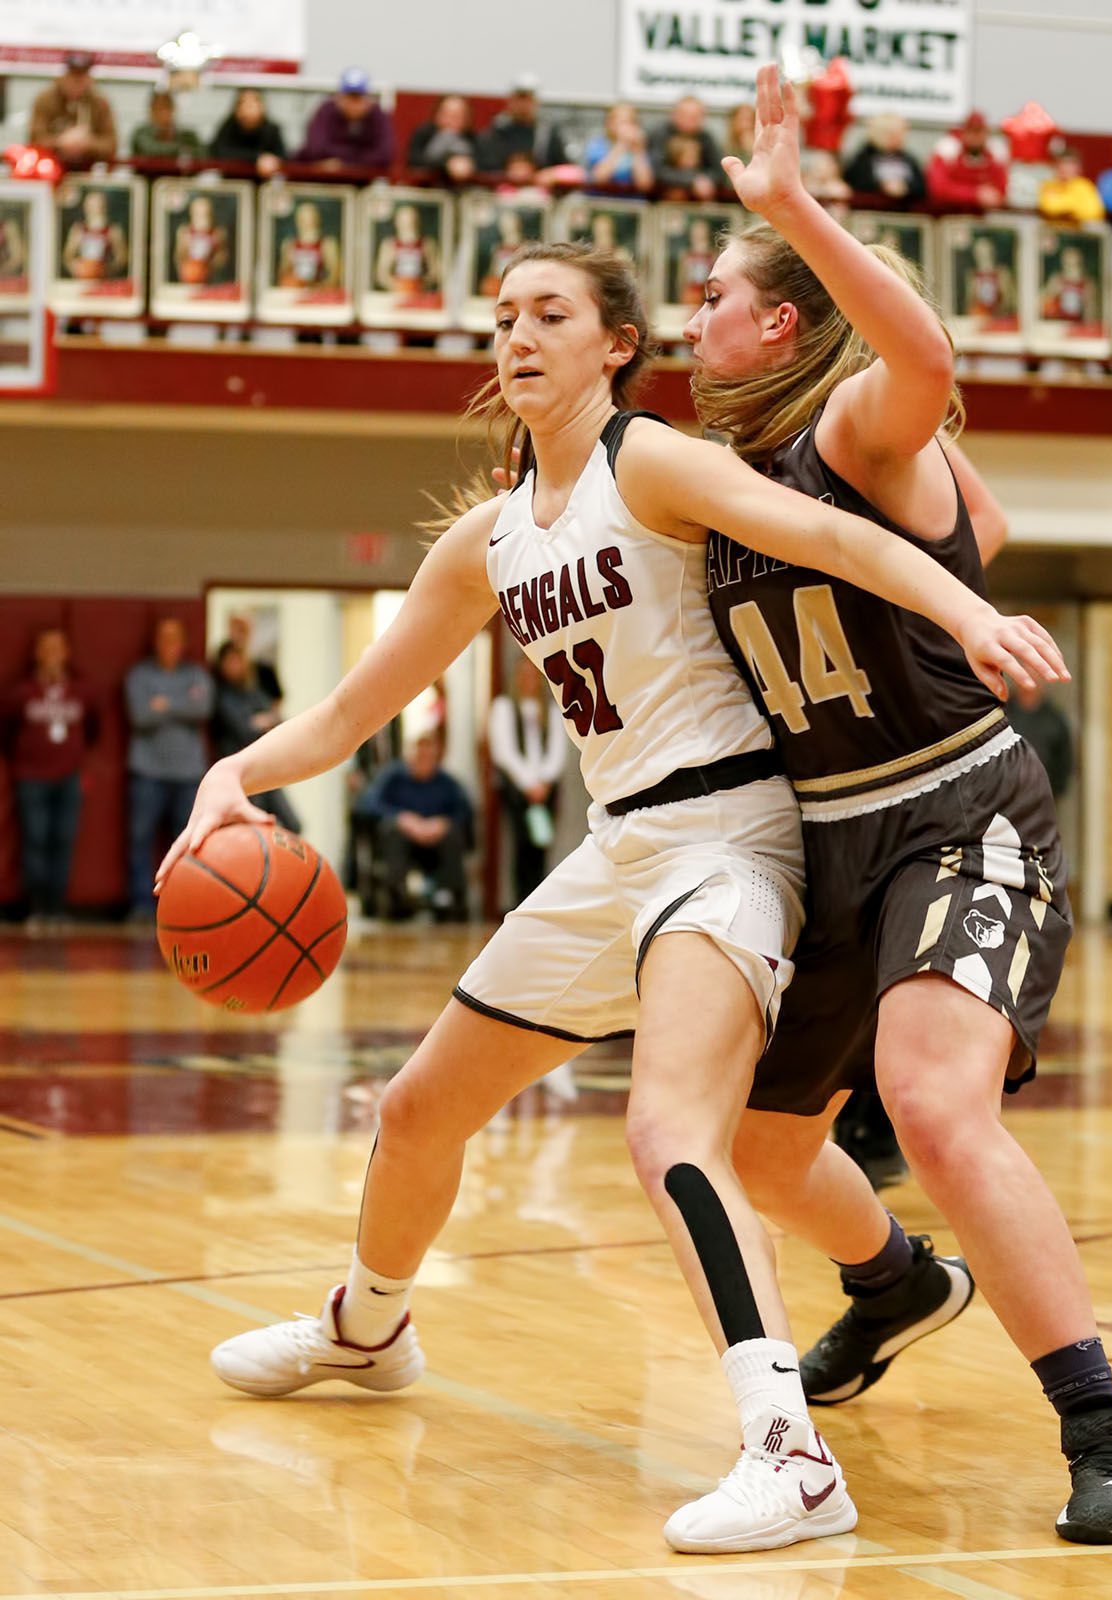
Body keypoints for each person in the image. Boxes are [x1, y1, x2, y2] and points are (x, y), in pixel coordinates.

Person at [159, 238, 1063, 1556]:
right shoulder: (492, 538)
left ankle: (787, 1454)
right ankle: (369, 1329)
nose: (518, 336)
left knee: (669, 1128)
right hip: (616, 848)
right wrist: (231, 776)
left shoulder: (653, 461)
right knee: (418, 1110)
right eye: (505, 315)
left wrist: (964, 613)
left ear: (615, 344)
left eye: (551, 314)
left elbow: (828, 530)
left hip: (733, 837)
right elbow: (360, 707)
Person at [685, 65, 1112, 1547]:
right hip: (825, 834)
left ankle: (1101, 1422)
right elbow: (995, 524)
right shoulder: (734, 473)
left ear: (779, 321)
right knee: (766, 1151)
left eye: (715, 294)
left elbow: (923, 347)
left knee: (936, 1103)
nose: (693, 318)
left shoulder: (847, 424)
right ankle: (896, 1283)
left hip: (957, 806)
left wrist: (791, 205)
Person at [1, 627, 97, 929]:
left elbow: (94, 729)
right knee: (35, 841)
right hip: (31, 777)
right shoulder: (22, 692)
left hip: (69, 777)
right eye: (46, 648)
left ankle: (57, 909)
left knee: (63, 841)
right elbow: (6, 728)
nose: (52, 654)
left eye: (58, 647)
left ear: (67, 652)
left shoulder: (82, 690)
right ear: (36, 653)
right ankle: (37, 910)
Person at [125, 617, 213, 922]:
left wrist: (164, 704)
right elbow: (141, 715)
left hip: (188, 773)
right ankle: (141, 906)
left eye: (175, 638)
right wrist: (179, 705)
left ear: (184, 643)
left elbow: (202, 709)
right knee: (141, 839)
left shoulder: (196, 675)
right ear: (155, 641)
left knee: (187, 842)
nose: (169, 644)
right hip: (147, 771)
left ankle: (182, 905)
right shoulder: (140, 675)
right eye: (163, 637)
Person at [357, 729, 472, 920]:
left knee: (453, 834)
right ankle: (396, 895)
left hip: (436, 845)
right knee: (392, 830)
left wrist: (442, 823)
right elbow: (368, 803)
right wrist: (402, 818)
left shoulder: (448, 783)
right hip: (403, 842)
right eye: (419, 750)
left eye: (429, 751)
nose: (424, 756)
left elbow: (464, 811)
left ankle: (447, 898)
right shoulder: (392, 778)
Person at [488, 655, 567, 905]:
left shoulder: (552, 710)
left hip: (546, 788)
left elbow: (557, 750)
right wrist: (528, 784)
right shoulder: (504, 707)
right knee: (521, 846)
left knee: (541, 845)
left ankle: (539, 901)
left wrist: (544, 782)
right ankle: (521, 900)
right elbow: (504, 751)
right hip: (518, 789)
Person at [210, 641, 302, 834]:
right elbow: (244, 729)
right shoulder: (222, 696)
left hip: (266, 769)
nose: (235, 665)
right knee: (254, 829)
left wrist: (261, 721)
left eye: (238, 660)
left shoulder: (252, 691)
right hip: (242, 775)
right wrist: (261, 722)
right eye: (230, 661)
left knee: (293, 824)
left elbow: (278, 719)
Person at [28, 52, 117, 166]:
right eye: (73, 77)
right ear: (64, 77)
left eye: (81, 78)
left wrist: (87, 143)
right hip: (51, 166)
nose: (77, 82)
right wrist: (61, 142)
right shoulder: (45, 100)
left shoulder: (99, 102)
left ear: (89, 79)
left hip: (88, 168)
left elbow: (111, 144)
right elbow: (34, 140)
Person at [297, 68, 394, 170]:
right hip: (321, 180)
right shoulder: (326, 111)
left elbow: (385, 155)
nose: (353, 104)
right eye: (349, 97)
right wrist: (359, 156)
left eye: (358, 98)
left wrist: (343, 163)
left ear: (367, 99)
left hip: (362, 182)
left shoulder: (378, 116)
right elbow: (315, 148)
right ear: (339, 97)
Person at [475, 76, 569, 178]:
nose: (523, 104)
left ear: (536, 102)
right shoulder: (493, 134)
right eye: (520, 98)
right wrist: (507, 174)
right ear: (510, 100)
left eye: (528, 99)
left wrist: (548, 174)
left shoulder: (547, 135)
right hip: (500, 191)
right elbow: (482, 169)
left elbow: (567, 168)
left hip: (540, 191)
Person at [926, 111, 1008, 209]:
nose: (975, 137)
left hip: (983, 217)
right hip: (947, 214)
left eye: (979, 131)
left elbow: (1001, 191)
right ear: (963, 132)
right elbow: (937, 188)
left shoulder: (994, 153)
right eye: (972, 131)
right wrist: (975, 194)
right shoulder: (948, 150)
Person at [1005, 684, 1073, 801]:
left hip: (1042, 798)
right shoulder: (1002, 713)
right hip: (1004, 799)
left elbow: (1064, 760)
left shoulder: (1054, 717)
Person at [842, 114, 926, 204]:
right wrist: (881, 185)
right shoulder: (862, 158)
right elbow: (854, 183)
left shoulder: (908, 159)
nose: (897, 139)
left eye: (900, 134)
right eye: (891, 134)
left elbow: (921, 187)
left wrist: (906, 187)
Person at [651, 96, 722, 200]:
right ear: (674, 115)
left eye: (694, 117)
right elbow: (656, 170)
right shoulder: (660, 134)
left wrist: (704, 180)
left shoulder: (706, 138)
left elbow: (718, 172)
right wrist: (691, 180)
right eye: (684, 115)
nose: (689, 121)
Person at [209, 88, 286, 175]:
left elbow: (283, 157)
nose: (248, 109)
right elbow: (219, 152)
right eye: (243, 103)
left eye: (253, 103)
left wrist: (272, 161)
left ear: (262, 107)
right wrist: (257, 158)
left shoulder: (272, 129)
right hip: (233, 180)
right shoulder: (229, 126)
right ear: (236, 108)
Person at [583, 102, 654, 195]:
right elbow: (598, 179)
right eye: (621, 122)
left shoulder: (639, 147)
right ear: (609, 124)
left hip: (632, 203)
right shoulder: (598, 144)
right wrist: (621, 145)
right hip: (600, 200)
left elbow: (645, 185)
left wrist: (638, 151)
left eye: (630, 122)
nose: (626, 127)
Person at [404, 95, 476, 182]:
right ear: (437, 114)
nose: (451, 120)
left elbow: (485, 165)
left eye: (457, 115)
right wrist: (447, 164)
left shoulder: (471, 138)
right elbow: (413, 162)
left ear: (466, 118)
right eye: (447, 114)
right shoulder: (424, 134)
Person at [375, 205, 441, 297]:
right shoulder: (388, 245)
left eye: (412, 219)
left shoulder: (428, 244)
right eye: (404, 220)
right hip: (395, 294)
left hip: (421, 294)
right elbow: (381, 275)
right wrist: (397, 286)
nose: (408, 223)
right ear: (396, 222)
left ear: (418, 221)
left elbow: (435, 273)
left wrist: (421, 285)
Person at [62, 190, 127, 281]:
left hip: (105, 281)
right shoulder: (78, 229)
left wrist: (108, 270)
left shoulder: (113, 230)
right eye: (91, 204)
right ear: (85, 206)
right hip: (82, 279)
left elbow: (122, 258)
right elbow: (67, 256)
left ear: (104, 206)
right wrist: (76, 268)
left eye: (98, 204)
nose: (95, 207)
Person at [276, 202, 340, 290]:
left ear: (317, 218)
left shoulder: (327, 244)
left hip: (318, 293)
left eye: (310, 217)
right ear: (297, 220)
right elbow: (282, 274)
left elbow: (335, 274)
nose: (307, 221)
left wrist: (320, 288)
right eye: (303, 217)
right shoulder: (289, 244)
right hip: (294, 291)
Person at [1037, 146, 1104, 224]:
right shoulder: (1048, 185)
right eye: (1061, 164)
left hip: (1079, 230)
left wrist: (1066, 209)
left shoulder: (1085, 186)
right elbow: (1048, 207)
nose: (1064, 168)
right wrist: (1072, 208)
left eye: (1069, 164)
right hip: (1053, 229)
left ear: (1078, 167)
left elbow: (1093, 212)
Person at [130, 89, 203, 159]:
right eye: (158, 108)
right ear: (151, 111)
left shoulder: (188, 134)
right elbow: (150, 150)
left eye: (166, 106)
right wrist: (181, 148)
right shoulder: (141, 132)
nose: (163, 113)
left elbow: (200, 155)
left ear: (174, 109)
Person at [173, 194, 229, 286]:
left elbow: (222, 260)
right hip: (189, 278)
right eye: (198, 214)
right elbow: (178, 258)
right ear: (192, 213)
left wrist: (214, 250)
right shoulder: (184, 232)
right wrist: (185, 247)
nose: (203, 218)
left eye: (206, 214)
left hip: (211, 281)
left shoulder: (218, 233)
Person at [1041, 244, 1099, 325]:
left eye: (1073, 263)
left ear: (1080, 262)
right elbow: (1041, 304)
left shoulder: (1087, 283)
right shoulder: (1056, 280)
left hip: (1078, 325)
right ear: (1062, 262)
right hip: (1058, 324)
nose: (1070, 267)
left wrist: (1089, 303)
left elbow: (1091, 315)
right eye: (1067, 263)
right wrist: (1051, 293)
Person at [964, 235, 1015, 319]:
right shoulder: (972, 276)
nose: (983, 254)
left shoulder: (1003, 274)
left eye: (986, 251)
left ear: (992, 252)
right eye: (979, 252)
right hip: (978, 320)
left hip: (999, 320)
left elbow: (1010, 302)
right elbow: (969, 303)